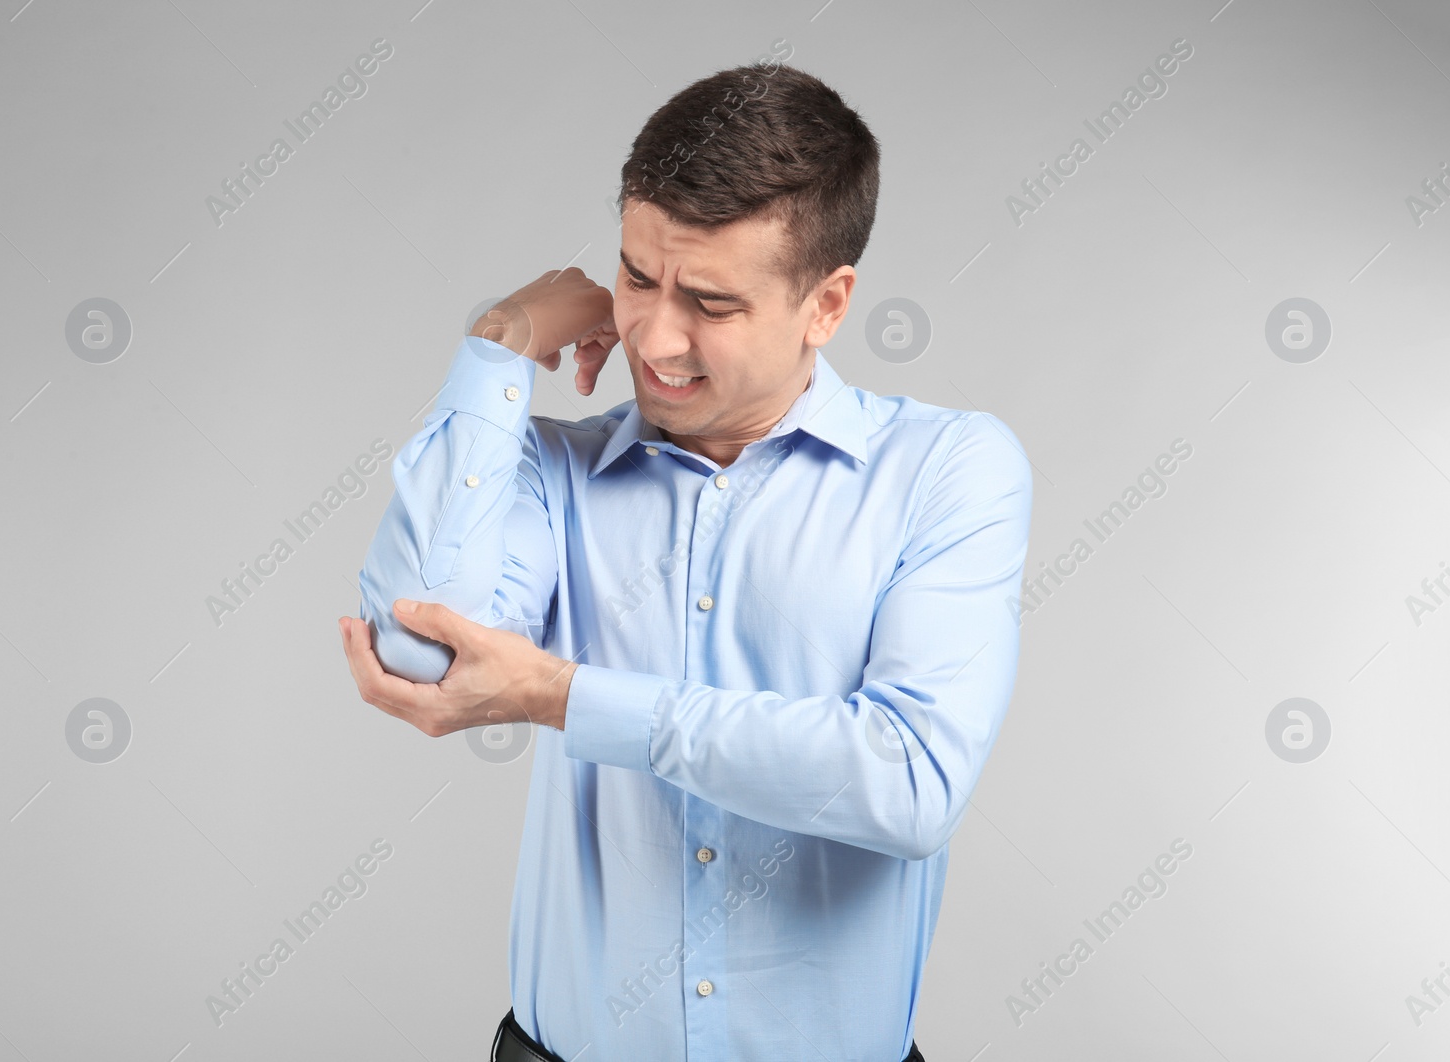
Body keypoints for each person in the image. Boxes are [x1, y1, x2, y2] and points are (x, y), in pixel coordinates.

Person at [338, 57, 1033, 1062]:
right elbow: (417, 655)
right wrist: (496, 349)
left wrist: (566, 696)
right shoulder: (552, 469)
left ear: (826, 305)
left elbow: (908, 784)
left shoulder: (946, 469)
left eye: (709, 300)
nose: (653, 336)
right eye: (634, 276)